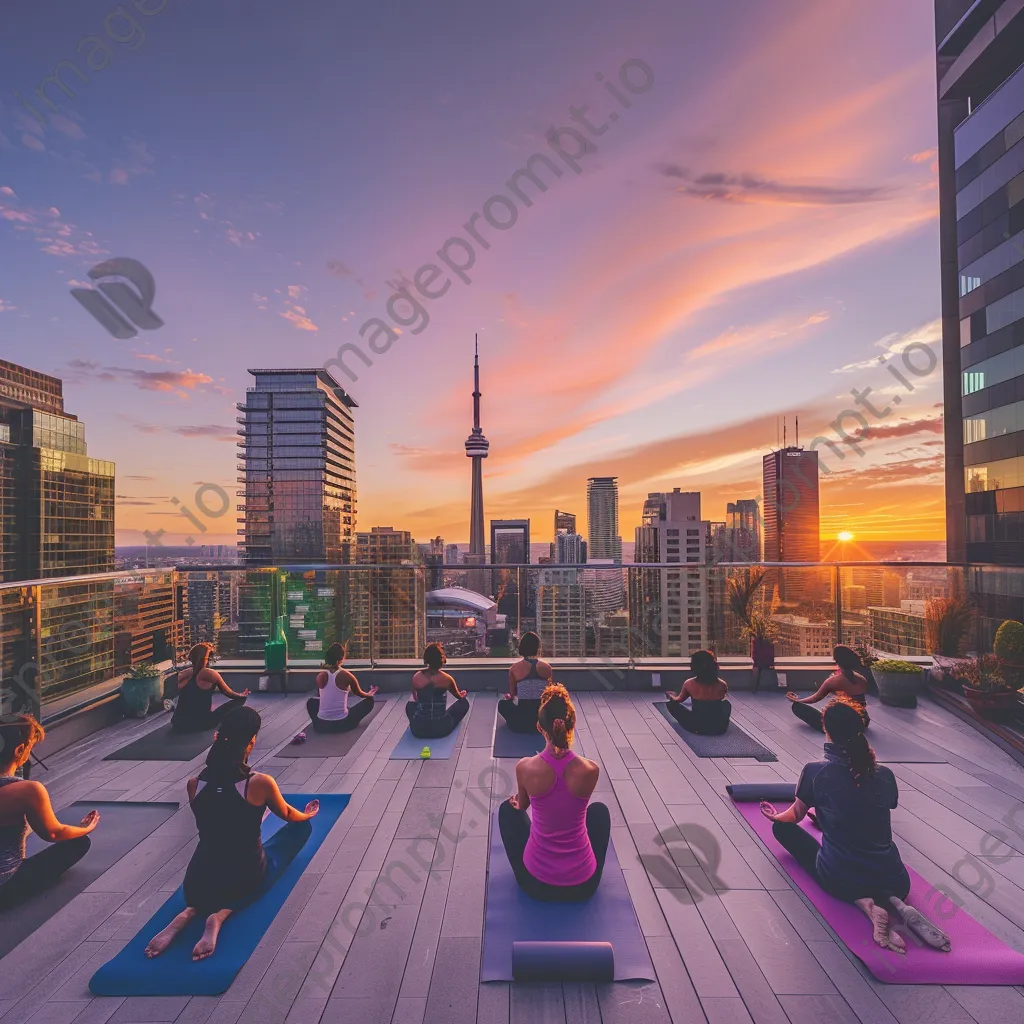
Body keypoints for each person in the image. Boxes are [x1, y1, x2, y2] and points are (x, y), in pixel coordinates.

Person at [760, 695, 950, 954]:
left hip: (841, 878)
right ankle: (895, 901)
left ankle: (865, 904)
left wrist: (775, 816)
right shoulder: (884, 774)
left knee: (782, 830)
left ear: (825, 730)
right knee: (871, 864)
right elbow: (864, 808)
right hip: (897, 879)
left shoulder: (816, 771)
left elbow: (794, 815)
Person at [144, 706, 319, 961]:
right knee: (296, 834)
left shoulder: (194, 784)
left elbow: (217, 823)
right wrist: (307, 816)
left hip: (197, 880)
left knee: (215, 874)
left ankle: (189, 912)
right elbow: (290, 815)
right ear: (251, 741)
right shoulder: (259, 783)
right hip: (243, 875)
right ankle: (220, 915)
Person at [499, 684, 610, 902]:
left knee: (507, 810)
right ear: (572, 724)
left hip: (537, 884)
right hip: (583, 885)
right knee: (598, 811)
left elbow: (522, 806)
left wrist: (517, 803)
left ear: (540, 727)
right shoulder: (591, 769)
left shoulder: (525, 767)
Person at [0, 715, 99, 911]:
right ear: (20, 750)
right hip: (5, 888)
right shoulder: (28, 791)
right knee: (79, 842)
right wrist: (85, 828)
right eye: (30, 748)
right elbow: (53, 833)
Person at [171, 643, 250, 734]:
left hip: (178, 722)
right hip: (200, 724)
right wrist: (242, 695)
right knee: (239, 701)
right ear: (206, 658)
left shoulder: (184, 674)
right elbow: (229, 693)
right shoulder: (209, 673)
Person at [788, 645, 870, 732]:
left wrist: (797, 700)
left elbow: (815, 698)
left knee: (797, 707)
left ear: (836, 661)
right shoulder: (862, 679)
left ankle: (832, 727)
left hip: (842, 725)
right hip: (862, 723)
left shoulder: (833, 681)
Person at [306, 643, 378, 733]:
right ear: (342, 658)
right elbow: (360, 693)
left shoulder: (320, 675)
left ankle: (318, 724)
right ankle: (343, 720)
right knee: (369, 700)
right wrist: (370, 694)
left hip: (321, 725)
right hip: (343, 724)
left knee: (311, 701)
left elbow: (326, 696)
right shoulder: (347, 675)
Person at [406, 643, 469, 739]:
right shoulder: (447, 679)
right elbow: (459, 696)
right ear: (441, 660)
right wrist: (462, 695)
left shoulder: (417, 677)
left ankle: (422, 720)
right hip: (441, 728)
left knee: (410, 706)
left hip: (418, 729)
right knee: (464, 703)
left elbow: (416, 698)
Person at [666, 650, 732, 735]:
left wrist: (671, 696)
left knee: (672, 704)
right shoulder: (722, 684)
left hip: (696, 727)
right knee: (726, 704)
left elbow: (678, 700)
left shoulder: (689, 683)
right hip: (718, 728)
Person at [497, 632, 552, 733]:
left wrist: (509, 697)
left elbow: (513, 695)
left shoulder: (514, 668)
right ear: (538, 647)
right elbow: (547, 694)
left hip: (522, 720)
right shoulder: (547, 668)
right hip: (541, 721)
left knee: (502, 704)